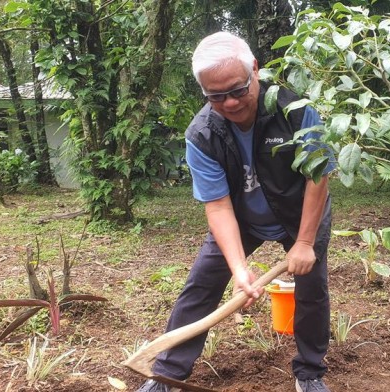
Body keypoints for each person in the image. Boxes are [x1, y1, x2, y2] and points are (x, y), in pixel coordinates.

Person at [137, 32, 334, 392]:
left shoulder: (294, 109)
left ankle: (309, 373)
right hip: (242, 219)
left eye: (237, 90)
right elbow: (218, 204)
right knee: (201, 286)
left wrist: (305, 241)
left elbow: (317, 175)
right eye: (215, 96)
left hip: (299, 213)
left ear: (254, 70)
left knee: (312, 289)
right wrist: (239, 268)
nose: (228, 103)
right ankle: (166, 376)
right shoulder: (202, 134)